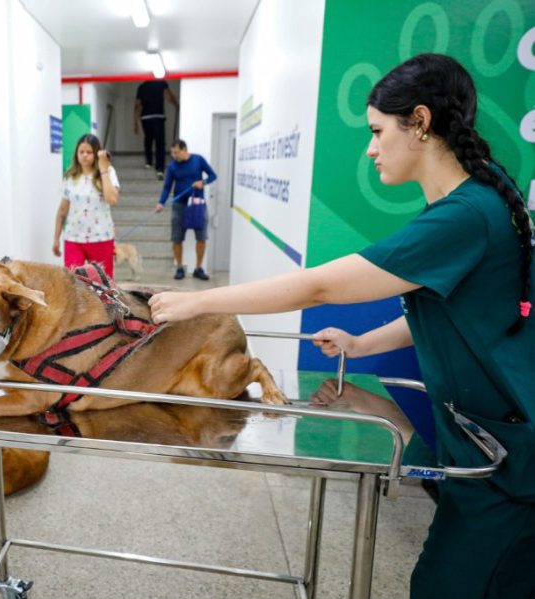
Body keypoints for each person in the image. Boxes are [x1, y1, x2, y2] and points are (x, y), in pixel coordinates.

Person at [149, 54, 534, 598]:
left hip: (507, 462)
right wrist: (362, 343)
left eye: (377, 131)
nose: (371, 149)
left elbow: (318, 287)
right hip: (479, 441)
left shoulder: (464, 216)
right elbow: (450, 308)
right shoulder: (472, 204)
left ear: (420, 123)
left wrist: (198, 303)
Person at [52, 134, 120, 277]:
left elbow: (112, 199)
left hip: (101, 238)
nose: (84, 155)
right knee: (73, 281)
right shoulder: (70, 176)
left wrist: (103, 169)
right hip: (73, 238)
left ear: (96, 153)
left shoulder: (108, 172)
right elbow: (62, 210)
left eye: (89, 152)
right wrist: (56, 238)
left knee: (103, 282)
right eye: (81, 152)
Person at [153, 139, 217, 280]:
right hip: (179, 206)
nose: (174, 155)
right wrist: (161, 202)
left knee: (201, 237)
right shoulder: (172, 166)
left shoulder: (198, 160)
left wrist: (203, 182)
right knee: (176, 238)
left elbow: (213, 176)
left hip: (197, 204)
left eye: (176, 152)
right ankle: (179, 268)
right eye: (172, 153)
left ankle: (198, 269)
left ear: (184, 150)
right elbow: (167, 187)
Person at [134, 79, 178, 179]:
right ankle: (160, 168)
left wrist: (135, 122)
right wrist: (176, 105)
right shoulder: (162, 83)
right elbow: (169, 96)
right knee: (160, 142)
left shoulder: (142, 86)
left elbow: (137, 105)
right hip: (158, 116)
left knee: (148, 138)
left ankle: (149, 161)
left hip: (145, 117)